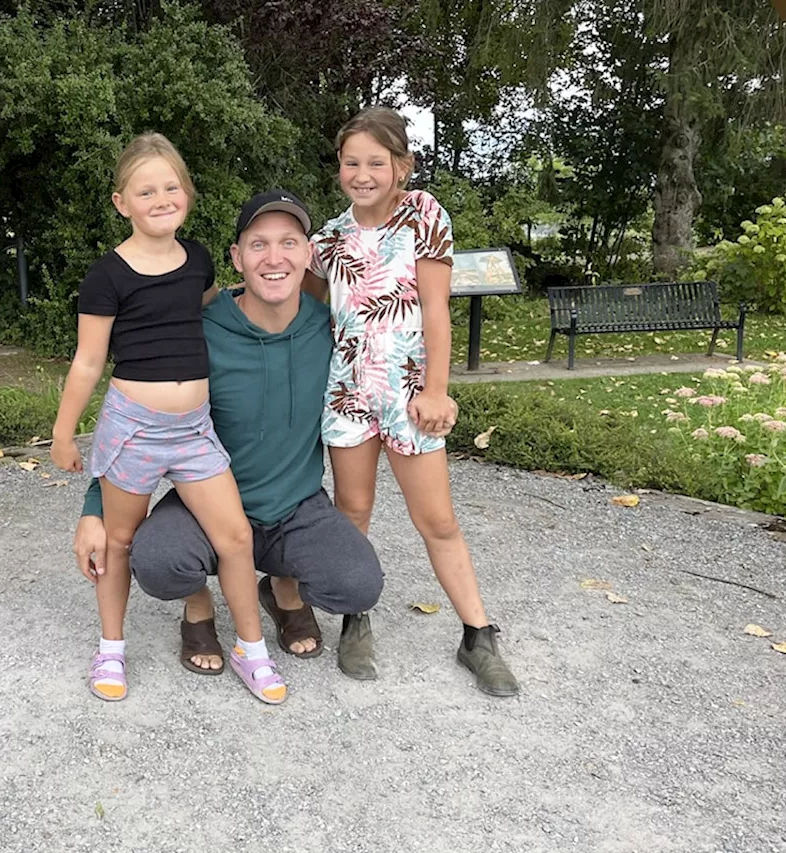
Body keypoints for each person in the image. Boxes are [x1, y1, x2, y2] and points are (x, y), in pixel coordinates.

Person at [74, 189, 385, 683]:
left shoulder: (333, 329)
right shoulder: (201, 327)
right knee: (156, 560)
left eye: (289, 242)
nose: (274, 257)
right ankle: (197, 606)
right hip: (206, 503)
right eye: (258, 245)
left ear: (309, 255)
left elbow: (392, 369)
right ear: (237, 258)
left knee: (358, 583)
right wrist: (95, 507)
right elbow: (137, 418)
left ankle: (281, 588)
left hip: (294, 506)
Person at [51, 134, 286, 705]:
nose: (161, 197)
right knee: (119, 539)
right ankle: (111, 647)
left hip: (195, 431)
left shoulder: (199, 258)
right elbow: (88, 360)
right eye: (145, 190)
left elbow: (201, 306)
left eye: (171, 186)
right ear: (121, 202)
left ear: (187, 193)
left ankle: (251, 650)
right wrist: (63, 430)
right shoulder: (106, 275)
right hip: (133, 427)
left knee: (235, 537)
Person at [303, 106, 520, 697]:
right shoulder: (327, 239)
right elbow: (307, 309)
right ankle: (355, 618)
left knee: (438, 520)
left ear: (402, 165)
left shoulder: (425, 215)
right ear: (340, 168)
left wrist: (437, 389)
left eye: (377, 161)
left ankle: (478, 634)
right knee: (353, 513)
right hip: (348, 394)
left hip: (408, 395)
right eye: (352, 162)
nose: (363, 173)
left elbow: (434, 308)